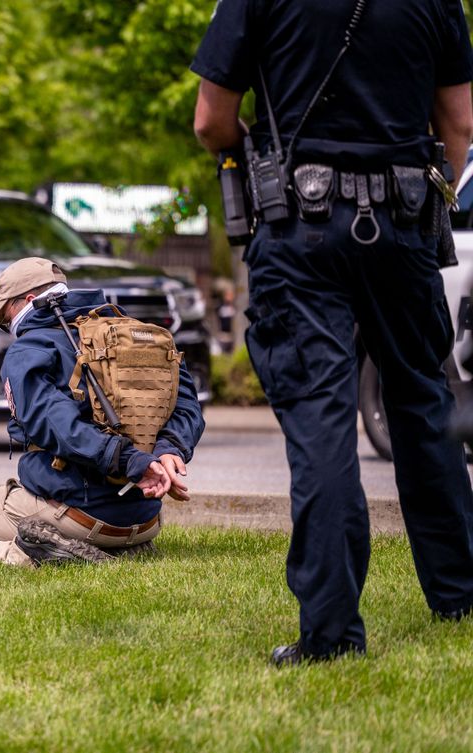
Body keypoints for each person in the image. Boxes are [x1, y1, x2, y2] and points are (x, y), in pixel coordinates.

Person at [192, 0, 473, 665]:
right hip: (404, 224)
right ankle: (460, 596)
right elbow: (458, 124)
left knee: (321, 418)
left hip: (300, 227)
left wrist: (252, 157)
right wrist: (430, 191)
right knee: (422, 404)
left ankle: (333, 632)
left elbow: (212, 120)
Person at [0, 258, 205, 566]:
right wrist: (169, 449)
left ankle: (30, 555)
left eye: (5, 318)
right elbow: (187, 405)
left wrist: (128, 460)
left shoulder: (29, 349)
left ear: (28, 301)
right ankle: (122, 547)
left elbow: (57, 426)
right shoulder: (133, 334)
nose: (8, 327)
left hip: (78, 515)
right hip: (145, 518)